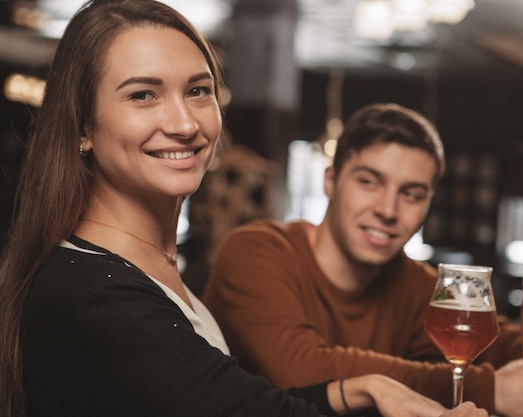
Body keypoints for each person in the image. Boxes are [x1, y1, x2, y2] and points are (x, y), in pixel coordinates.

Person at [0, 1, 489, 417]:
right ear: (83, 127)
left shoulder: (141, 269)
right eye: (143, 95)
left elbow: (222, 401)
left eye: (198, 90)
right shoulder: (96, 294)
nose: (184, 122)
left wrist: (360, 388)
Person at [204, 103, 523, 417]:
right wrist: (492, 391)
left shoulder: (417, 283)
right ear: (330, 180)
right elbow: (299, 370)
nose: (388, 210)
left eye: (411, 193)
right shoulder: (255, 251)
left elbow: (513, 347)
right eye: (369, 181)